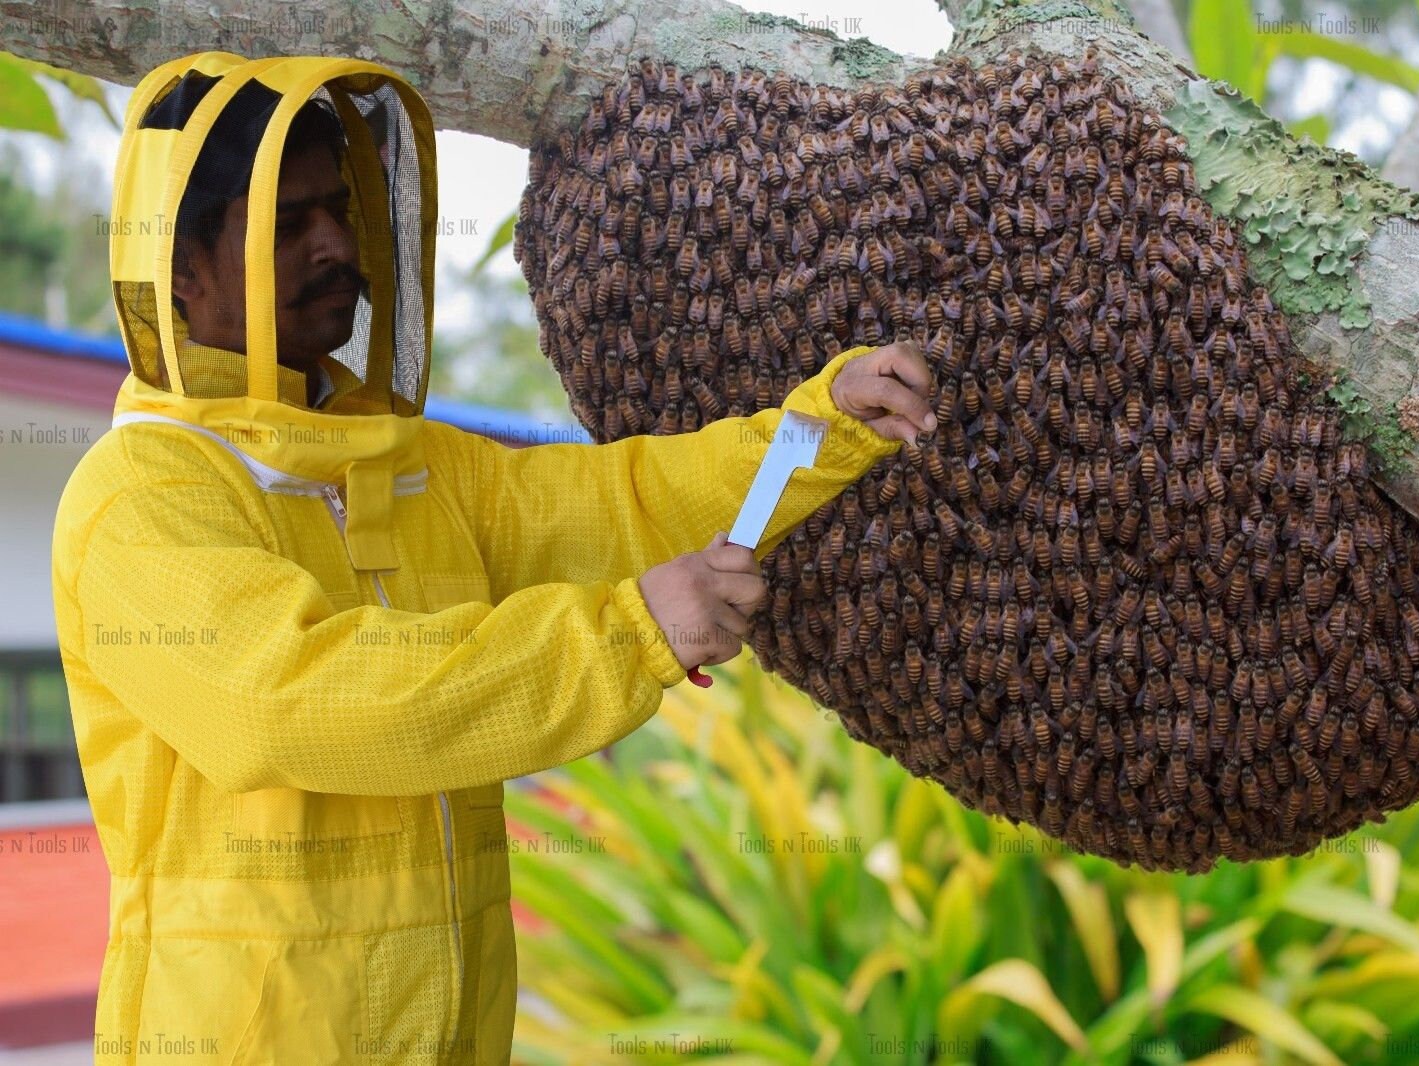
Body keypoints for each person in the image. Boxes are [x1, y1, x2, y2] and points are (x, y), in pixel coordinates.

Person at [52, 53, 935, 1064]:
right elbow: (294, 700)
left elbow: (619, 503)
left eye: (340, 208)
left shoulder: (411, 464)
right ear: (182, 269)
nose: (338, 244)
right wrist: (628, 635)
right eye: (287, 224)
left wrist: (816, 428)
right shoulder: (141, 498)